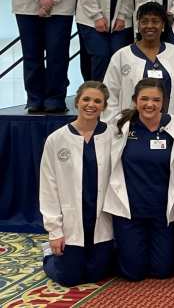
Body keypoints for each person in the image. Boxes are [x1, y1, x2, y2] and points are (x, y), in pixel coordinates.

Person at [104, 79, 174, 280]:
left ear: (164, 102)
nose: (150, 104)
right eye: (144, 99)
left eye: (156, 99)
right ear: (134, 101)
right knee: (133, 274)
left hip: (162, 212)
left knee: (162, 272)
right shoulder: (121, 126)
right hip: (130, 212)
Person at [39, 82, 114, 286]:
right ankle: (48, 254)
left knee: (95, 275)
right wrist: (54, 232)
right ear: (76, 101)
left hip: (102, 221)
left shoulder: (113, 136)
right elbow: (48, 187)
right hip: (71, 222)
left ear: (104, 106)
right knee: (69, 278)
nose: (91, 105)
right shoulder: (56, 140)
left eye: (97, 101)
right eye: (86, 99)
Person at [103, 2, 174, 121]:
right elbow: (110, 94)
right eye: (144, 21)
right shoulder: (122, 55)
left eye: (155, 21)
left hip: (171, 125)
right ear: (138, 25)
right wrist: (115, 125)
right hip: (132, 128)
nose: (149, 25)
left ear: (163, 25)